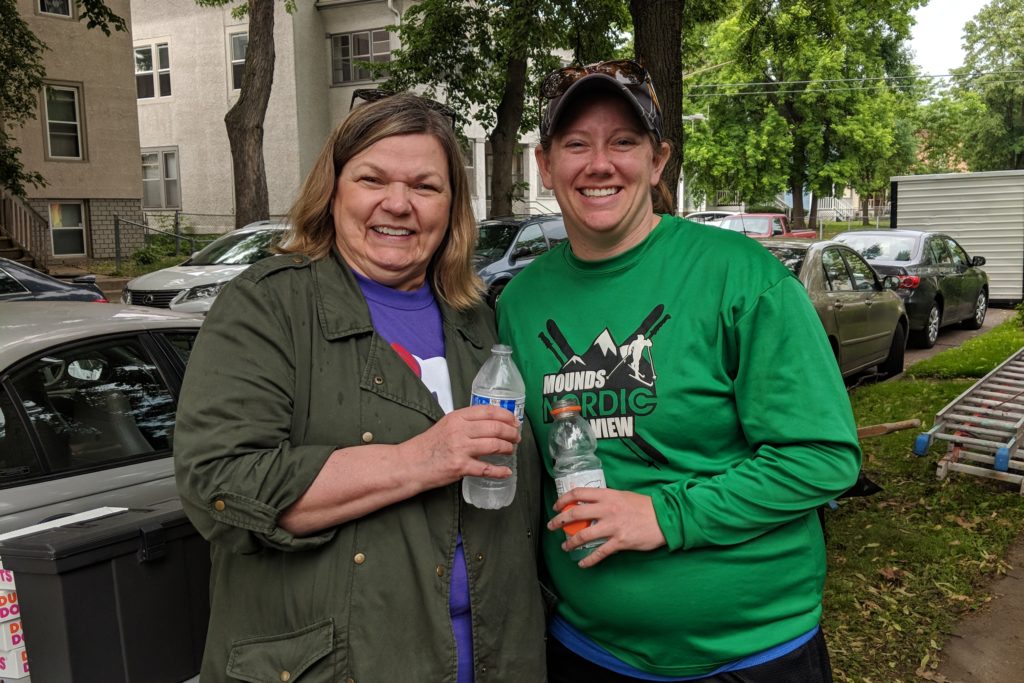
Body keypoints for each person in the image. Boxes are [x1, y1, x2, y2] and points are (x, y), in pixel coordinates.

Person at [496, 60, 863, 682]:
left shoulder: (742, 277)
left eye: (624, 143)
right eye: (576, 144)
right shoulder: (518, 304)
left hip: (752, 654)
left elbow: (823, 457)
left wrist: (665, 517)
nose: (599, 163)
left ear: (659, 161)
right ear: (545, 164)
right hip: (587, 650)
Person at [174, 92, 546, 683]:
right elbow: (219, 485)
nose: (397, 205)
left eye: (425, 187)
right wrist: (419, 459)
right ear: (335, 189)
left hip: (494, 656)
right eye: (372, 178)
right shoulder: (269, 304)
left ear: (452, 207)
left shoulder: (476, 316)